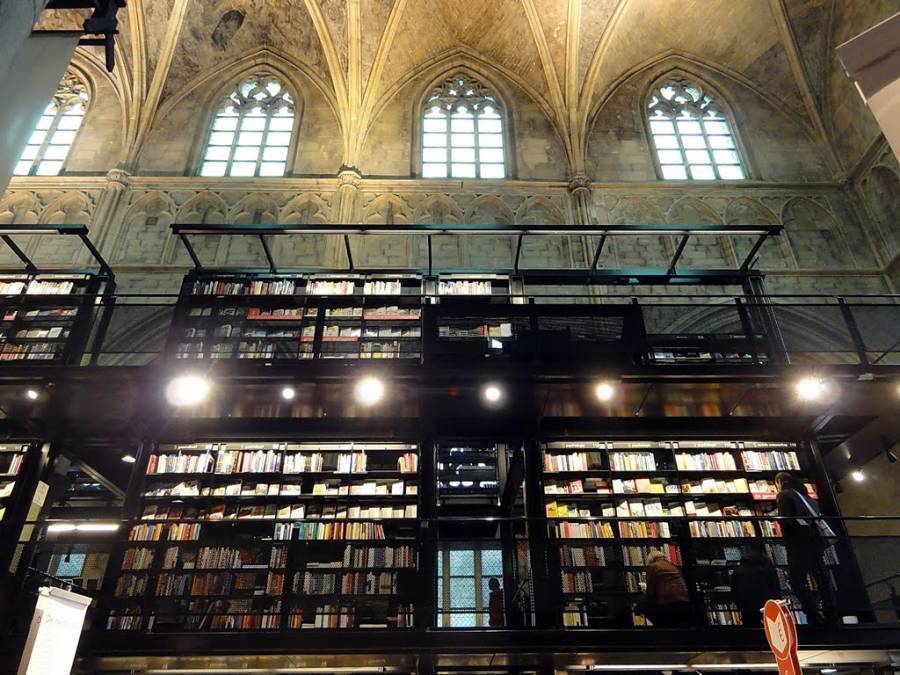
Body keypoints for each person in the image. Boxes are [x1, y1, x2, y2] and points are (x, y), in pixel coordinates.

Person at [775, 471, 837, 624]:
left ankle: (812, 613)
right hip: (815, 543)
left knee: (797, 581)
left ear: (779, 482)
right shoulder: (809, 499)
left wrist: (785, 535)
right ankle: (831, 613)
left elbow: (786, 521)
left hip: (797, 543)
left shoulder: (784, 495)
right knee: (821, 578)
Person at [638, 550, 692, 627]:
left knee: (641, 602)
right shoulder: (673, 566)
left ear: (650, 559)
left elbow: (650, 593)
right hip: (684, 601)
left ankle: (658, 627)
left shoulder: (653, 567)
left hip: (667, 603)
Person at [730, 546, 782, 626]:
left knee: (752, 633)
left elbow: (734, 592)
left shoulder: (738, 571)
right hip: (768, 607)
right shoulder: (768, 567)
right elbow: (775, 587)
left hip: (747, 609)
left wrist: (740, 604)